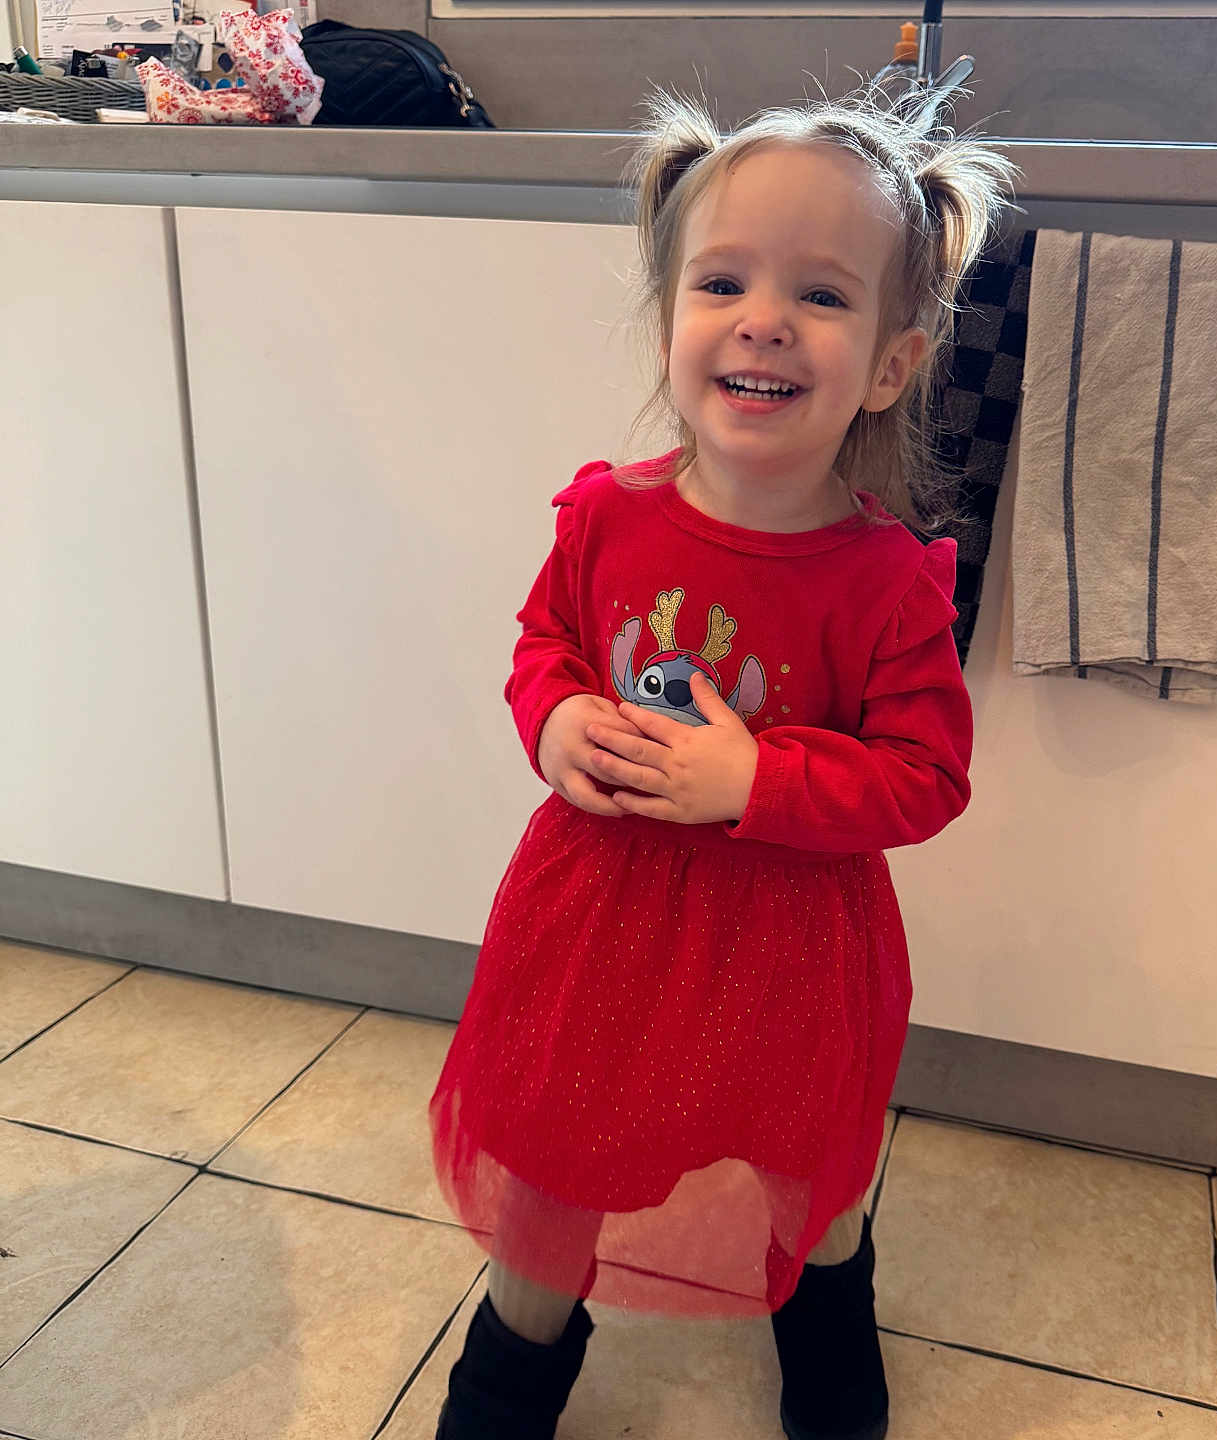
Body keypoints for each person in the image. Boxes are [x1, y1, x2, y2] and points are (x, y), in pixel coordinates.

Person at [429, 79, 1015, 1440]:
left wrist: (757, 786)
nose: (762, 318)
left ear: (889, 363)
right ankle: (512, 1367)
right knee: (563, 1152)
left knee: (810, 1172)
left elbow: (925, 777)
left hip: (795, 950)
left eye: (821, 294)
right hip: (600, 925)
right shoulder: (605, 520)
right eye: (724, 282)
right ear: (673, 318)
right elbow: (544, 645)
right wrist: (557, 718)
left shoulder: (884, 581)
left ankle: (829, 1329)